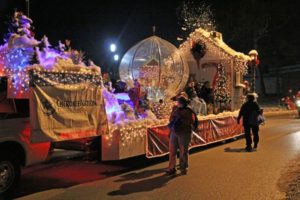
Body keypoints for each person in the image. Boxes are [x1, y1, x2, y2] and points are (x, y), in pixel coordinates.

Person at [166, 96, 197, 175]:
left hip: (184, 133)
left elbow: (191, 121)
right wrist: (174, 117)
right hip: (174, 132)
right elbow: (171, 119)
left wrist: (181, 119)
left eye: (178, 102)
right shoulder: (175, 109)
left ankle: (183, 168)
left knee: (183, 151)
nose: (177, 103)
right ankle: (172, 168)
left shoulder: (189, 111)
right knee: (172, 151)